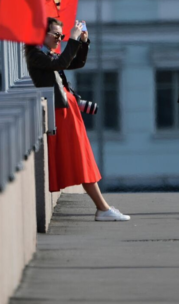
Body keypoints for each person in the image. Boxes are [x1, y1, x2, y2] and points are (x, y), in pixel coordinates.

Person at [24, 17, 130, 221]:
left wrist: (82, 42)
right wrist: (72, 39)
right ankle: (102, 208)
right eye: (56, 35)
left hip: (66, 113)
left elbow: (75, 62)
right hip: (61, 115)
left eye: (61, 36)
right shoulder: (36, 56)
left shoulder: (46, 55)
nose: (59, 39)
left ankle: (103, 207)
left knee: (83, 159)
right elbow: (63, 62)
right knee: (81, 159)